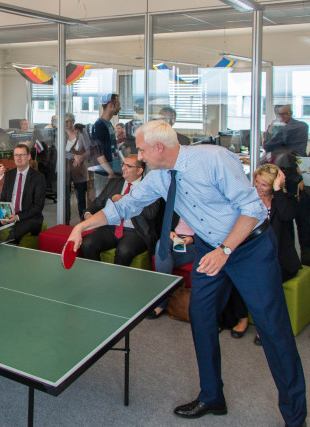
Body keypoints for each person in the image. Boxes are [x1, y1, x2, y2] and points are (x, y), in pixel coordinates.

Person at [67, 119, 306, 427]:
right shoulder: (159, 177)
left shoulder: (213, 160)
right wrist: (81, 226)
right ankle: (212, 396)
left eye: (140, 150)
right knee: (201, 316)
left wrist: (226, 251)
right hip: (211, 248)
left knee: (274, 331)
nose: (138, 157)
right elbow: (123, 207)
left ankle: (295, 417)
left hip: (249, 248)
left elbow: (254, 210)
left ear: (158, 147)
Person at [225, 164, 302, 343]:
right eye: (257, 182)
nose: (259, 187)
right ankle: (242, 317)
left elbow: (286, 215)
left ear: (274, 185)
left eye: (264, 185)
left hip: (280, 259)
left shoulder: (284, 200)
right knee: (238, 274)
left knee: (264, 278)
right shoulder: (249, 200)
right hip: (253, 254)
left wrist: (278, 190)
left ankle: (264, 324)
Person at [80, 154, 161, 266]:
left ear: (139, 170)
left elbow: (151, 213)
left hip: (135, 232)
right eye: (123, 165)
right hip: (111, 228)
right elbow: (97, 204)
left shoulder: (149, 187)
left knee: (123, 251)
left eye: (128, 166)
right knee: (88, 243)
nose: (123, 168)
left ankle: (117, 281)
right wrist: (88, 215)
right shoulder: (114, 183)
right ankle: (96, 276)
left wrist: (125, 200)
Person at [149, 213, 196, 318]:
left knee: (163, 258)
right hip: (175, 238)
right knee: (161, 244)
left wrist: (193, 239)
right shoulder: (177, 202)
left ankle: (161, 303)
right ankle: (164, 297)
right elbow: (163, 223)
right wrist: (169, 232)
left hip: (193, 243)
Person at [0, 144, 46, 244]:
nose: (18, 158)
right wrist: (3, 215)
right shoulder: (9, 175)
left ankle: (9, 244)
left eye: (22, 155)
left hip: (29, 217)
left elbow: (38, 205)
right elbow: (3, 197)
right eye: (16, 155)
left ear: (29, 157)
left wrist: (17, 217)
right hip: (10, 214)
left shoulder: (38, 177)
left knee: (19, 228)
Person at [64, 114, 89, 224]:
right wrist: (74, 156)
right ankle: (65, 222)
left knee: (81, 198)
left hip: (79, 170)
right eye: (65, 121)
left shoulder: (82, 134)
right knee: (65, 198)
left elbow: (90, 150)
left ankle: (83, 221)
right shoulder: (60, 135)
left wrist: (81, 157)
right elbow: (59, 151)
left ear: (73, 121)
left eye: (69, 121)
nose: (67, 124)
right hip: (65, 170)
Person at [90, 93, 121, 178]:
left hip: (114, 170)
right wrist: (110, 172)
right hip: (105, 174)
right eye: (118, 105)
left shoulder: (109, 124)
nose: (119, 108)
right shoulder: (99, 125)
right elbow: (98, 152)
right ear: (111, 105)